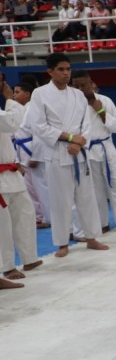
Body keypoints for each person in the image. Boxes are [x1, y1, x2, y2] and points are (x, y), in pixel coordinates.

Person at [28, 52, 108, 257]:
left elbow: (86, 124)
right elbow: (39, 126)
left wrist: (80, 142)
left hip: (79, 153)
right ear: (50, 71)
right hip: (57, 152)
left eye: (68, 69)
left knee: (86, 197)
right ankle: (62, 242)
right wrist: (71, 138)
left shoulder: (78, 95)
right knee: (61, 201)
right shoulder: (39, 94)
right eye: (61, 69)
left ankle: (91, 237)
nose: (66, 73)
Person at [71, 70, 116, 233]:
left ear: (91, 83)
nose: (80, 89)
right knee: (95, 189)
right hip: (87, 150)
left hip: (106, 147)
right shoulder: (72, 105)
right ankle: (102, 223)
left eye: (83, 85)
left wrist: (101, 111)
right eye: (76, 86)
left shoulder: (104, 101)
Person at [0, 78, 42, 280]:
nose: (4, 85)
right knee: (3, 225)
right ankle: (7, 267)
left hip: (10, 171)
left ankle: (29, 257)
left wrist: (15, 162)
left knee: (25, 214)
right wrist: (10, 99)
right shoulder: (7, 109)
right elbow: (13, 123)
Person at [12, 81, 51, 229]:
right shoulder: (21, 109)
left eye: (17, 92)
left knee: (41, 186)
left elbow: (38, 133)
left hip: (32, 149)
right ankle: (38, 216)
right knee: (30, 188)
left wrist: (36, 155)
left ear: (27, 94)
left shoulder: (33, 108)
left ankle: (48, 217)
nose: (14, 95)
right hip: (22, 149)